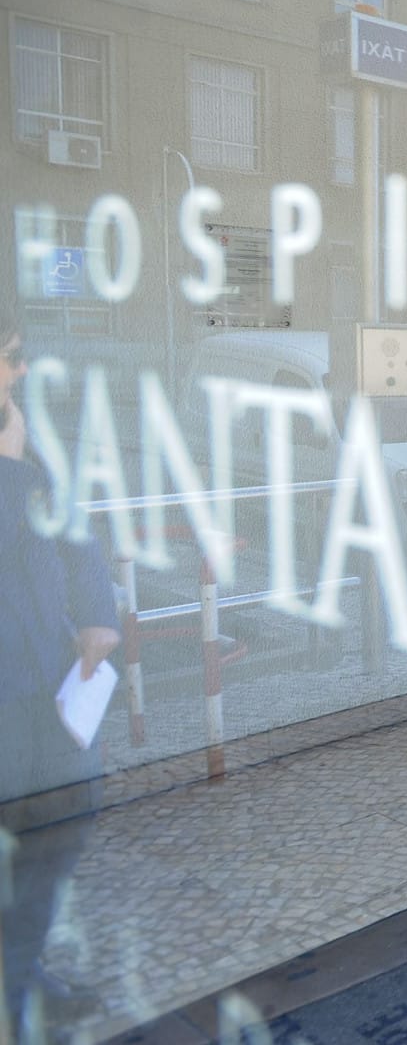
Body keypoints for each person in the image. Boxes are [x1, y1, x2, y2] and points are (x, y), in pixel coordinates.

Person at [0, 320, 121, 1033]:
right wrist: (10, 470)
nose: (19, 373)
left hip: (48, 680)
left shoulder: (21, 436)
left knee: (61, 823)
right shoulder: (12, 451)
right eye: (9, 358)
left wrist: (98, 613)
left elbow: (75, 535)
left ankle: (20, 971)